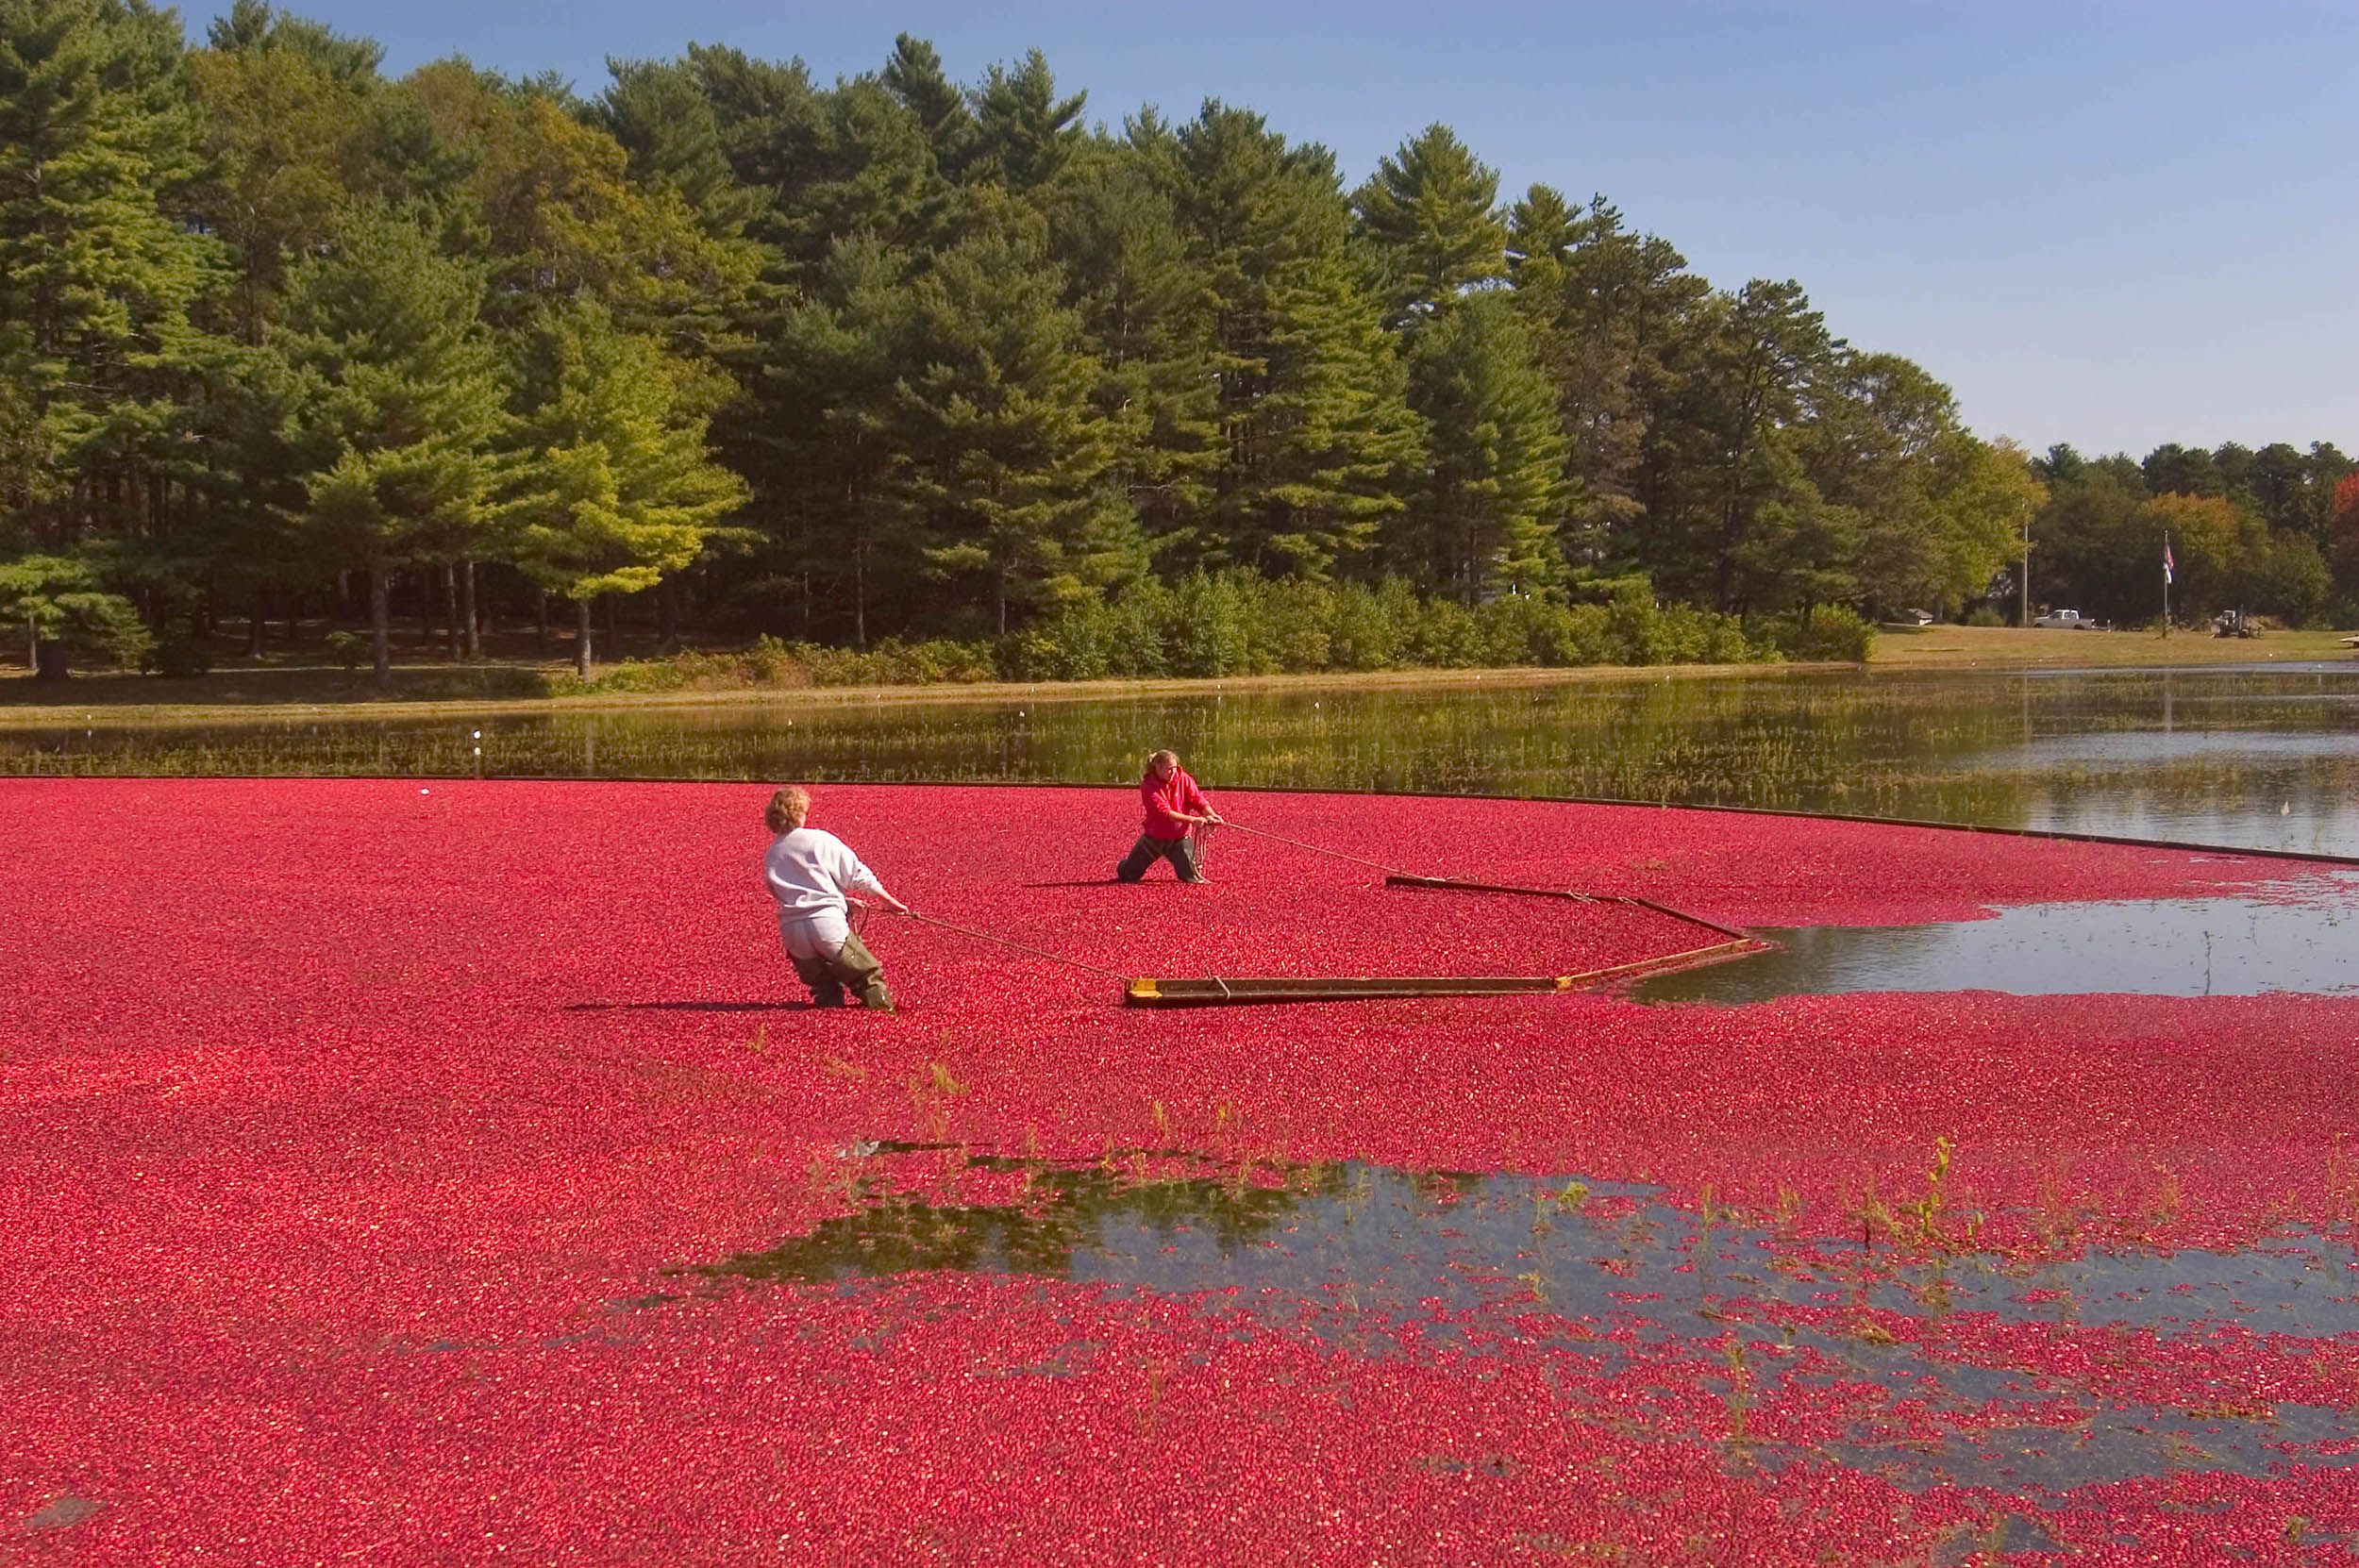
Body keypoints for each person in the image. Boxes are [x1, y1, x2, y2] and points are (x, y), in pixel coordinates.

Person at [761, 786, 908, 1011]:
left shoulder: (773, 853)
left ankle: (826, 1038)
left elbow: (788, 894)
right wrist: (889, 902)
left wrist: (844, 903)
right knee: (867, 976)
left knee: (824, 986)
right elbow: (856, 874)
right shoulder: (819, 840)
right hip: (827, 927)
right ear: (800, 811)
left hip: (793, 933)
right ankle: (885, 1018)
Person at [1116, 749, 1223, 884]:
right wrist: (1193, 820)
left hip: (1180, 838)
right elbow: (1164, 812)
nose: (1173, 772)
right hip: (1155, 838)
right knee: (1128, 875)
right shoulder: (1148, 786)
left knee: (1191, 877)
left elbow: (1197, 800)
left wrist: (1212, 815)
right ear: (1158, 768)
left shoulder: (1184, 779)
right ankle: (1124, 867)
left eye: (1175, 768)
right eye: (1169, 769)